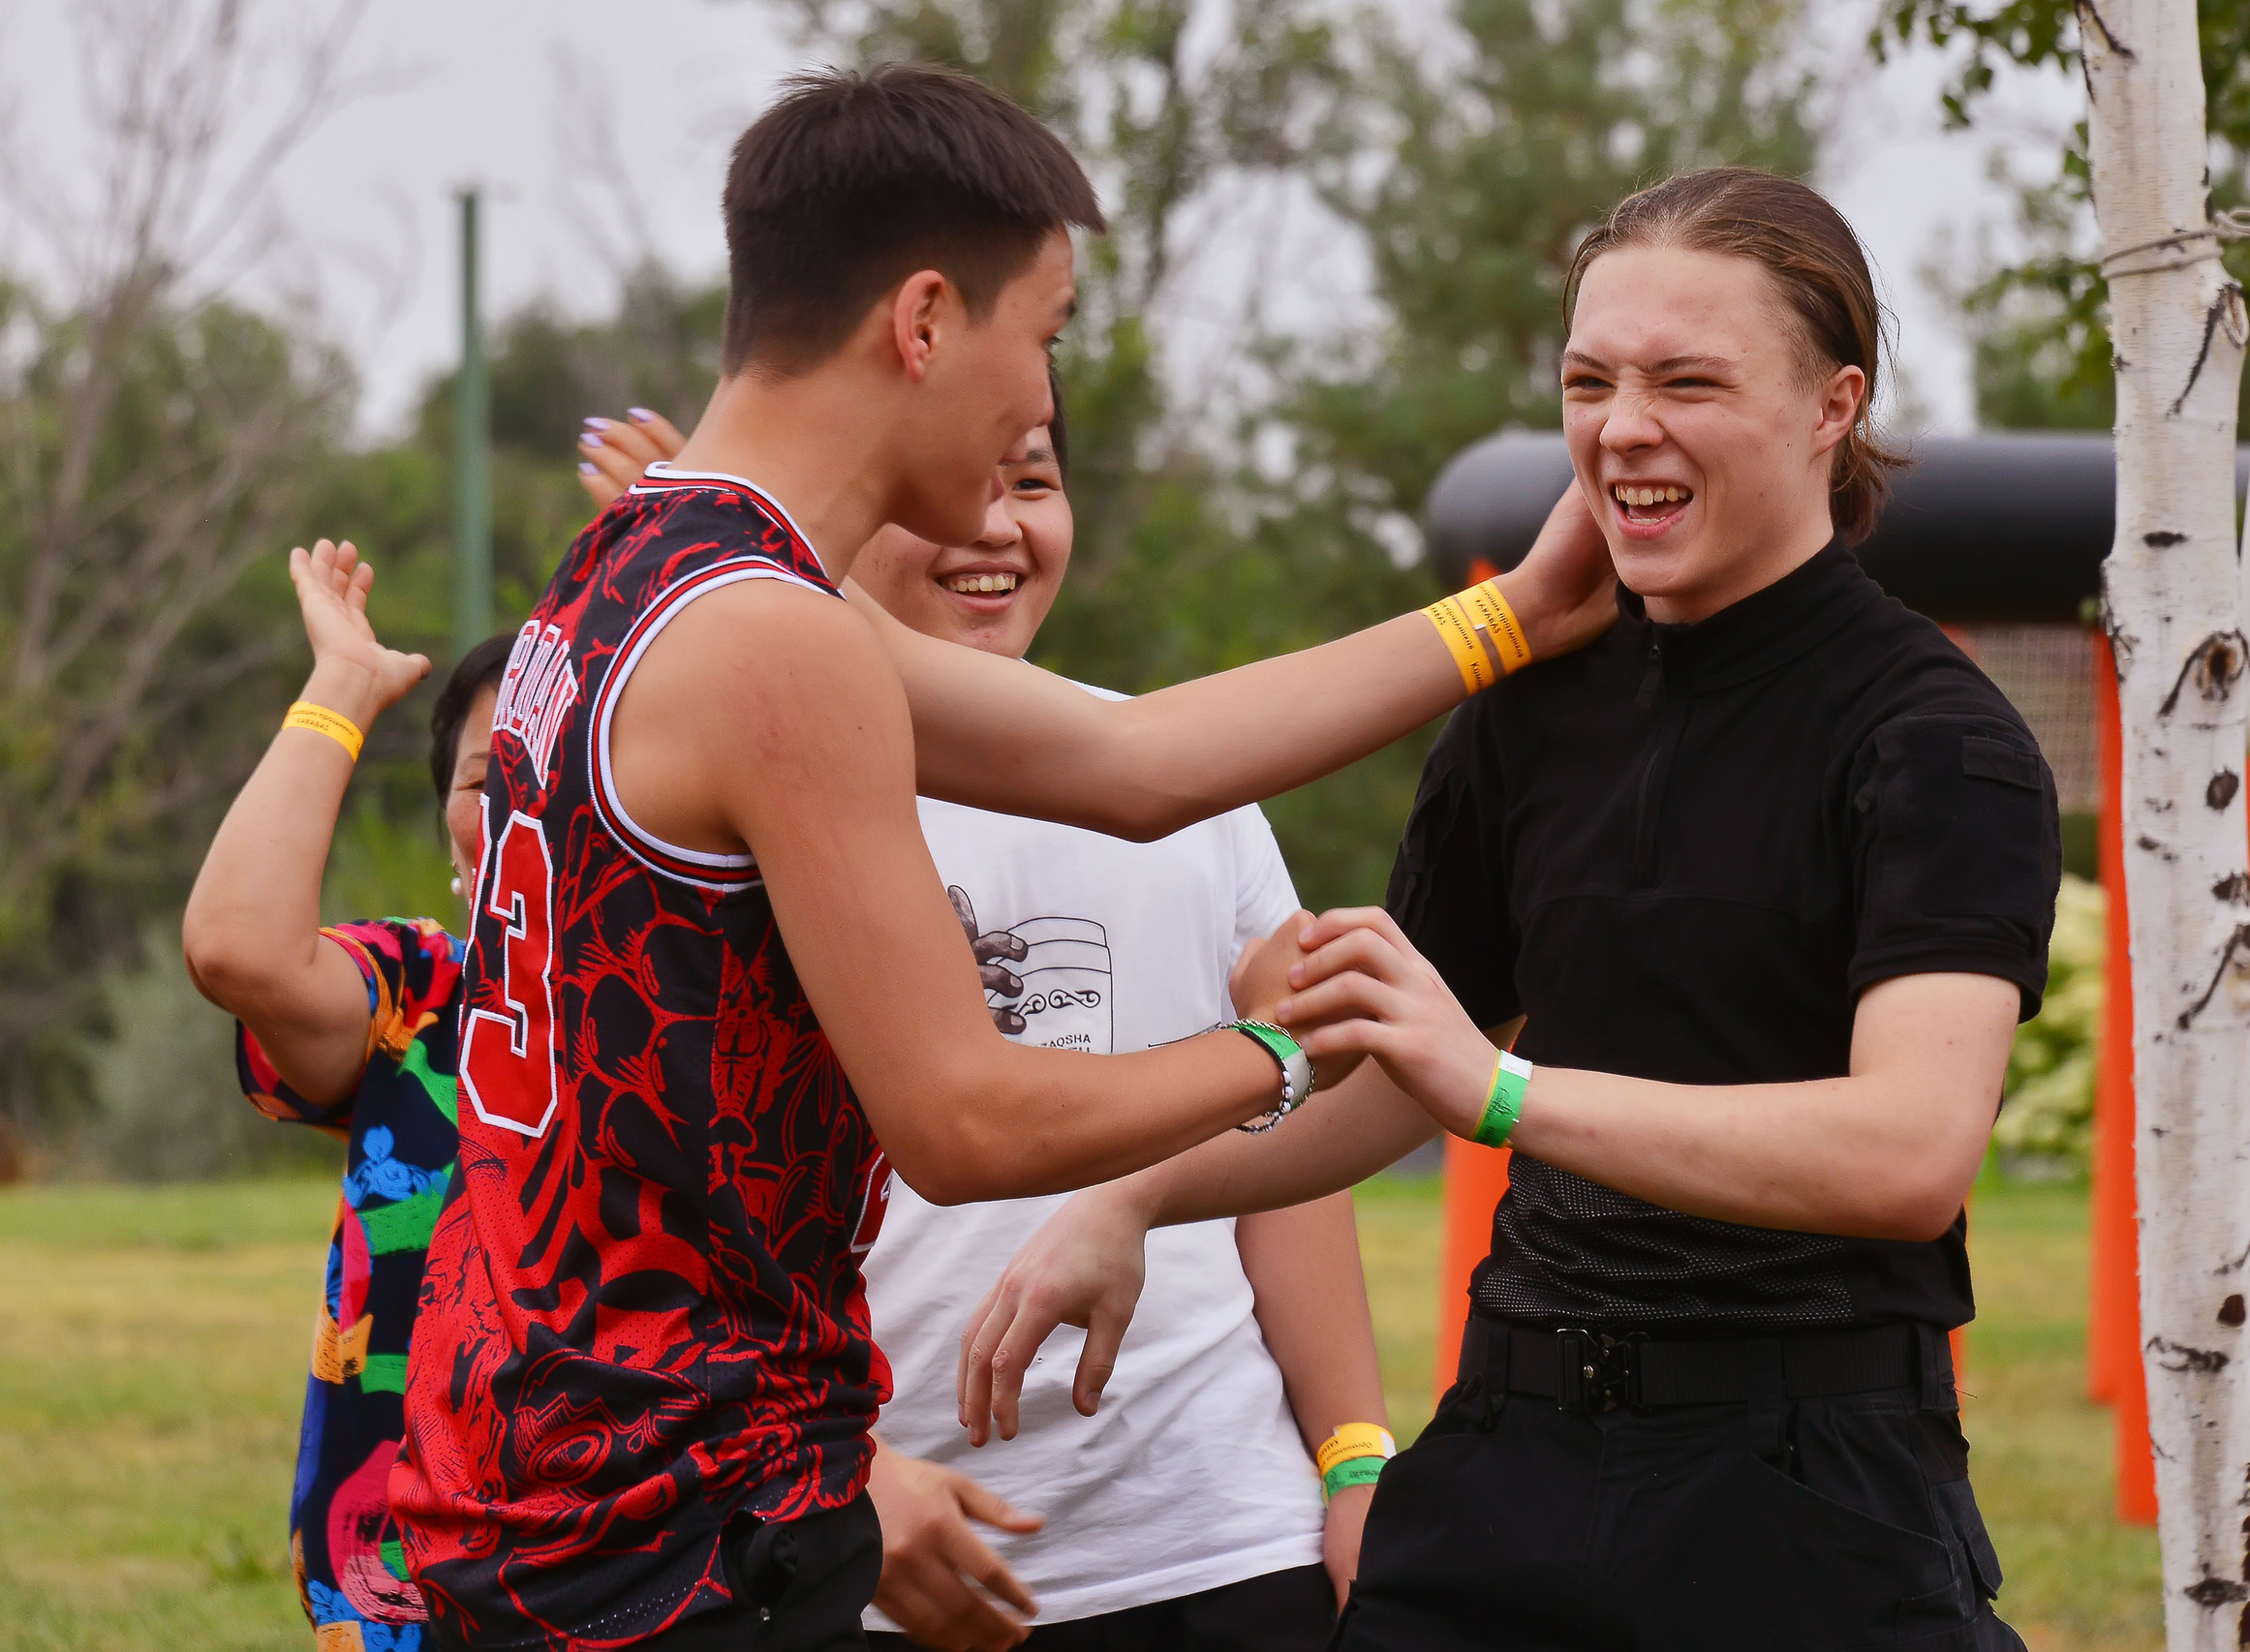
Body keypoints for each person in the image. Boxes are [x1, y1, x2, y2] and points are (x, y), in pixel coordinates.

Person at [388, 64, 1614, 1652]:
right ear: (920, 323)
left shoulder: (642, 564)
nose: (1042, 399)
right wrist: (1282, 1051)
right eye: (1041, 333)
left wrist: (1508, 616)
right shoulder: (774, 640)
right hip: (666, 1528)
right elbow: (962, 1117)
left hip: (528, 1464)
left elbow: (1132, 762)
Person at [959, 168, 2057, 1651]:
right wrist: (1142, 1194)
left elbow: (1906, 1153)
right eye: (1589, 380)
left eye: (1687, 380)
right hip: (1508, 1449)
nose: (1623, 428)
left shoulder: (1937, 736)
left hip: (1805, 1488)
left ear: (1831, 404)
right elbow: (1395, 1084)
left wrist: (1500, 1091)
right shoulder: (1526, 711)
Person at [580, 401, 1387, 1651]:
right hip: (889, 1556)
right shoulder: (760, 785)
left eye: (1037, 484)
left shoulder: (1182, 776)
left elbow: (1291, 1135)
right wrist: (848, 1475)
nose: (999, 529)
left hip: (1217, 1544)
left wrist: (1349, 1456)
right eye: (956, 492)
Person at [183, 539, 510, 1652]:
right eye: (486, 779)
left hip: (657, 1574)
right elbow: (238, 947)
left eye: (562, 768)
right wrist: (343, 688)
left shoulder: (713, 1013)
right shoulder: (419, 996)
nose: (522, 803)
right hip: (400, 1597)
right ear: (448, 833)